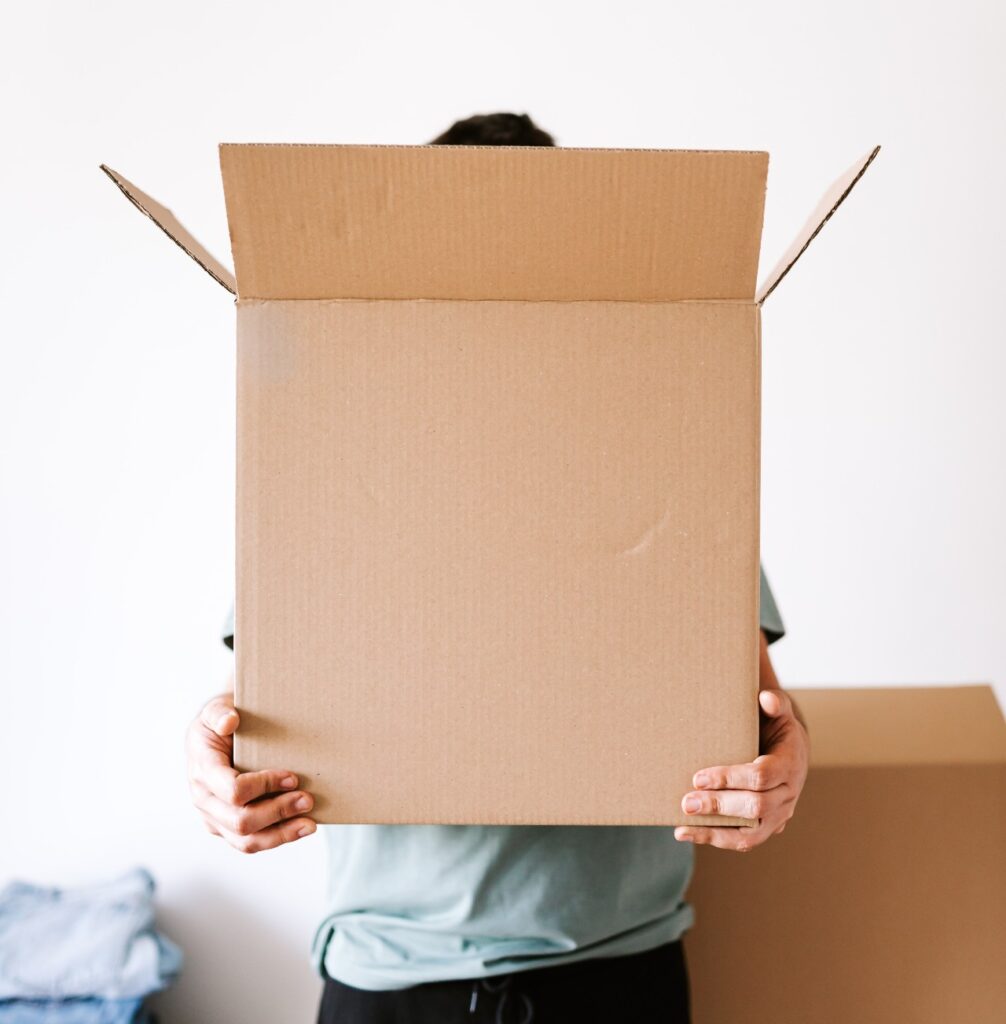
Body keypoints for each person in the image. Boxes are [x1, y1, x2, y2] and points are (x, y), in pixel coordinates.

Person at [185, 112, 811, 1024]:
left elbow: (761, 722)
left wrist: (782, 772)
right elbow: (253, 721)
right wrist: (215, 779)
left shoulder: (667, 488)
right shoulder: (335, 484)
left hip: (614, 971)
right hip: (389, 977)